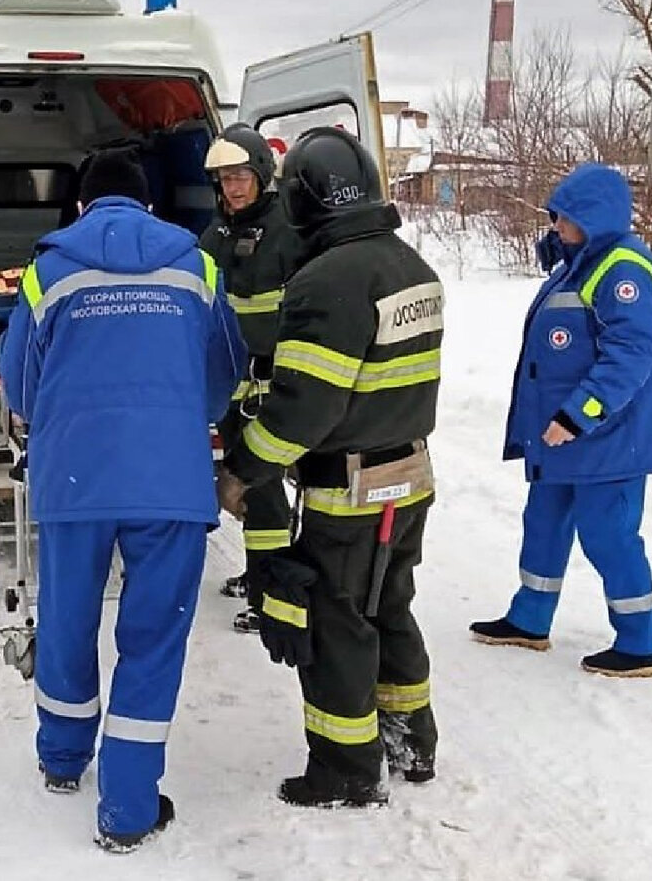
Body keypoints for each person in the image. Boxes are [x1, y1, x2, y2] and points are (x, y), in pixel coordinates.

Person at [0, 148, 244, 851]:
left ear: (82, 206)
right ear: (148, 205)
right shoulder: (195, 265)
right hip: (170, 479)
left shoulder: (49, 270)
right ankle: (129, 808)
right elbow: (223, 369)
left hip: (74, 477)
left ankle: (63, 757)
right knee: (153, 637)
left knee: (70, 618)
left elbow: (19, 384)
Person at [217, 127, 443, 808]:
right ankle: (411, 739)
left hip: (349, 488)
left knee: (335, 619)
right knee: (390, 606)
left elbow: (300, 411)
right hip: (410, 475)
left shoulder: (326, 282)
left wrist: (244, 465)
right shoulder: (412, 267)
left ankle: (346, 767)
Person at [470, 164, 652, 678]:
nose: (556, 227)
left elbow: (631, 354)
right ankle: (530, 618)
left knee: (608, 534)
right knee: (544, 522)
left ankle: (640, 642)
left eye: (564, 219)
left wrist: (580, 415)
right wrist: (561, 251)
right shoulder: (582, 263)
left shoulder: (624, 268)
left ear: (594, 217)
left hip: (607, 435)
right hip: (562, 435)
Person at [201, 123, 307, 634]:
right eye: (224, 179)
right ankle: (259, 573)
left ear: (263, 174)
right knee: (246, 483)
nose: (233, 188)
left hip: (271, 387)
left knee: (263, 489)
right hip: (233, 387)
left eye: (241, 176)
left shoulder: (290, 229)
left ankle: (271, 597)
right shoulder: (216, 232)